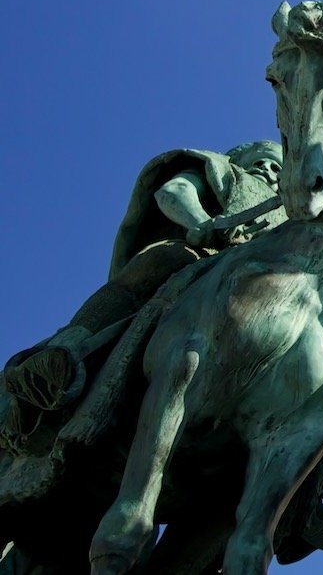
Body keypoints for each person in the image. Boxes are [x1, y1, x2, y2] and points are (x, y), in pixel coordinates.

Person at [1, 141, 286, 450]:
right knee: (161, 261)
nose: (267, 171)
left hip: (250, 287)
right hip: (195, 252)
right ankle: (66, 352)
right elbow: (174, 192)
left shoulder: (291, 213)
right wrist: (198, 222)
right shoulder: (223, 172)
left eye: (276, 168)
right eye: (261, 162)